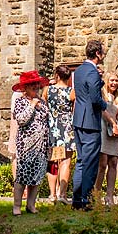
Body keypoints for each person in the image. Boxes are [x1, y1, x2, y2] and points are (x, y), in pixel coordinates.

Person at [71, 40, 117, 211]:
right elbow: (94, 98)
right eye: (103, 52)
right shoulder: (92, 72)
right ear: (97, 54)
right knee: (90, 163)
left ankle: (77, 201)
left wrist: (100, 82)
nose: (104, 55)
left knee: (82, 162)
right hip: (90, 121)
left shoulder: (81, 69)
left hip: (79, 120)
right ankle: (86, 201)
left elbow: (85, 89)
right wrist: (107, 107)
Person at [11, 70, 51, 215]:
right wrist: (32, 105)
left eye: (37, 85)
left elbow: (47, 120)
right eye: (32, 85)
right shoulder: (20, 101)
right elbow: (21, 120)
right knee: (22, 177)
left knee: (37, 176)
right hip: (26, 146)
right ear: (25, 87)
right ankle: (16, 206)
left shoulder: (42, 101)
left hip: (41, 145)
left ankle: (31, 205)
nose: (36, 87)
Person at [44, 64, 75, 204]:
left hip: (52, 127)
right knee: (66, 162)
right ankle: (62, 194)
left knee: (52, 162)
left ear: (57, 75)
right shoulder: (71, 91)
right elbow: (74, 109)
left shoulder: (47, 90)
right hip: (67, 127)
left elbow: (44, 108)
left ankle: (52, 194)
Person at [94, 71, 118, 206]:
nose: (114, 83)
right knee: (102, 164)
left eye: (116, 81)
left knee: (113, 163)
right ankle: (97, 193)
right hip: (104, 128)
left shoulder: (117, 96)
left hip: (114, 130)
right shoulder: (102, 94)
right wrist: (113, 124)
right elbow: (103, 111)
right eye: (111, 80)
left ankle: (109, 196)